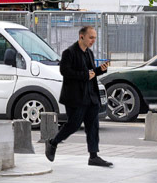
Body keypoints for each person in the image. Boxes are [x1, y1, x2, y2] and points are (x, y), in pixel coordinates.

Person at [46, 24, 111, 167]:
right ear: (81, 36)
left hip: (91, 95)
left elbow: (91, 73)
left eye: (94, 38)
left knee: (93, 126)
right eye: (91, 37)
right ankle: (53, 143)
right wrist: (85, 75)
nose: (93, 40)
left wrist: (100, 70)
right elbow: (65, 72)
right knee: (73, 125)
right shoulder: (69, 53)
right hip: (75, 96)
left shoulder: (89, 53)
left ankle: (93, 156)